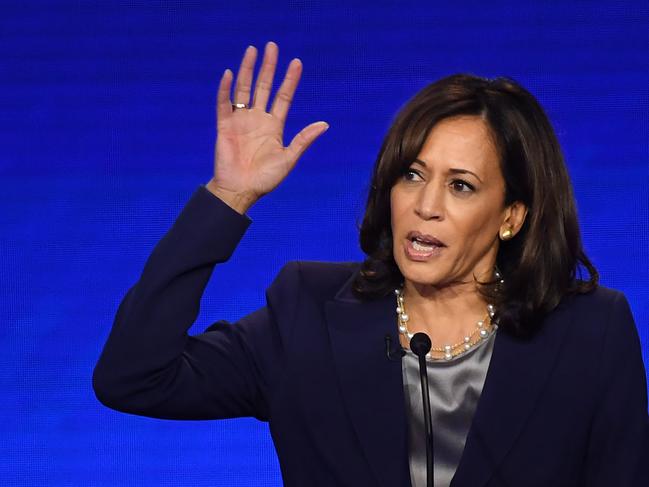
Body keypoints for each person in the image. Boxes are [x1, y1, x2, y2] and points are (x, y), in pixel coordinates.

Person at [93, 41, 649, 486]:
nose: (425, 206)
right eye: (412, 174)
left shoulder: (590, 334)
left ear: (511, 215)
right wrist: (228, 196)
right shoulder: (306, 312)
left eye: (461, 185)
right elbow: (134, 378)